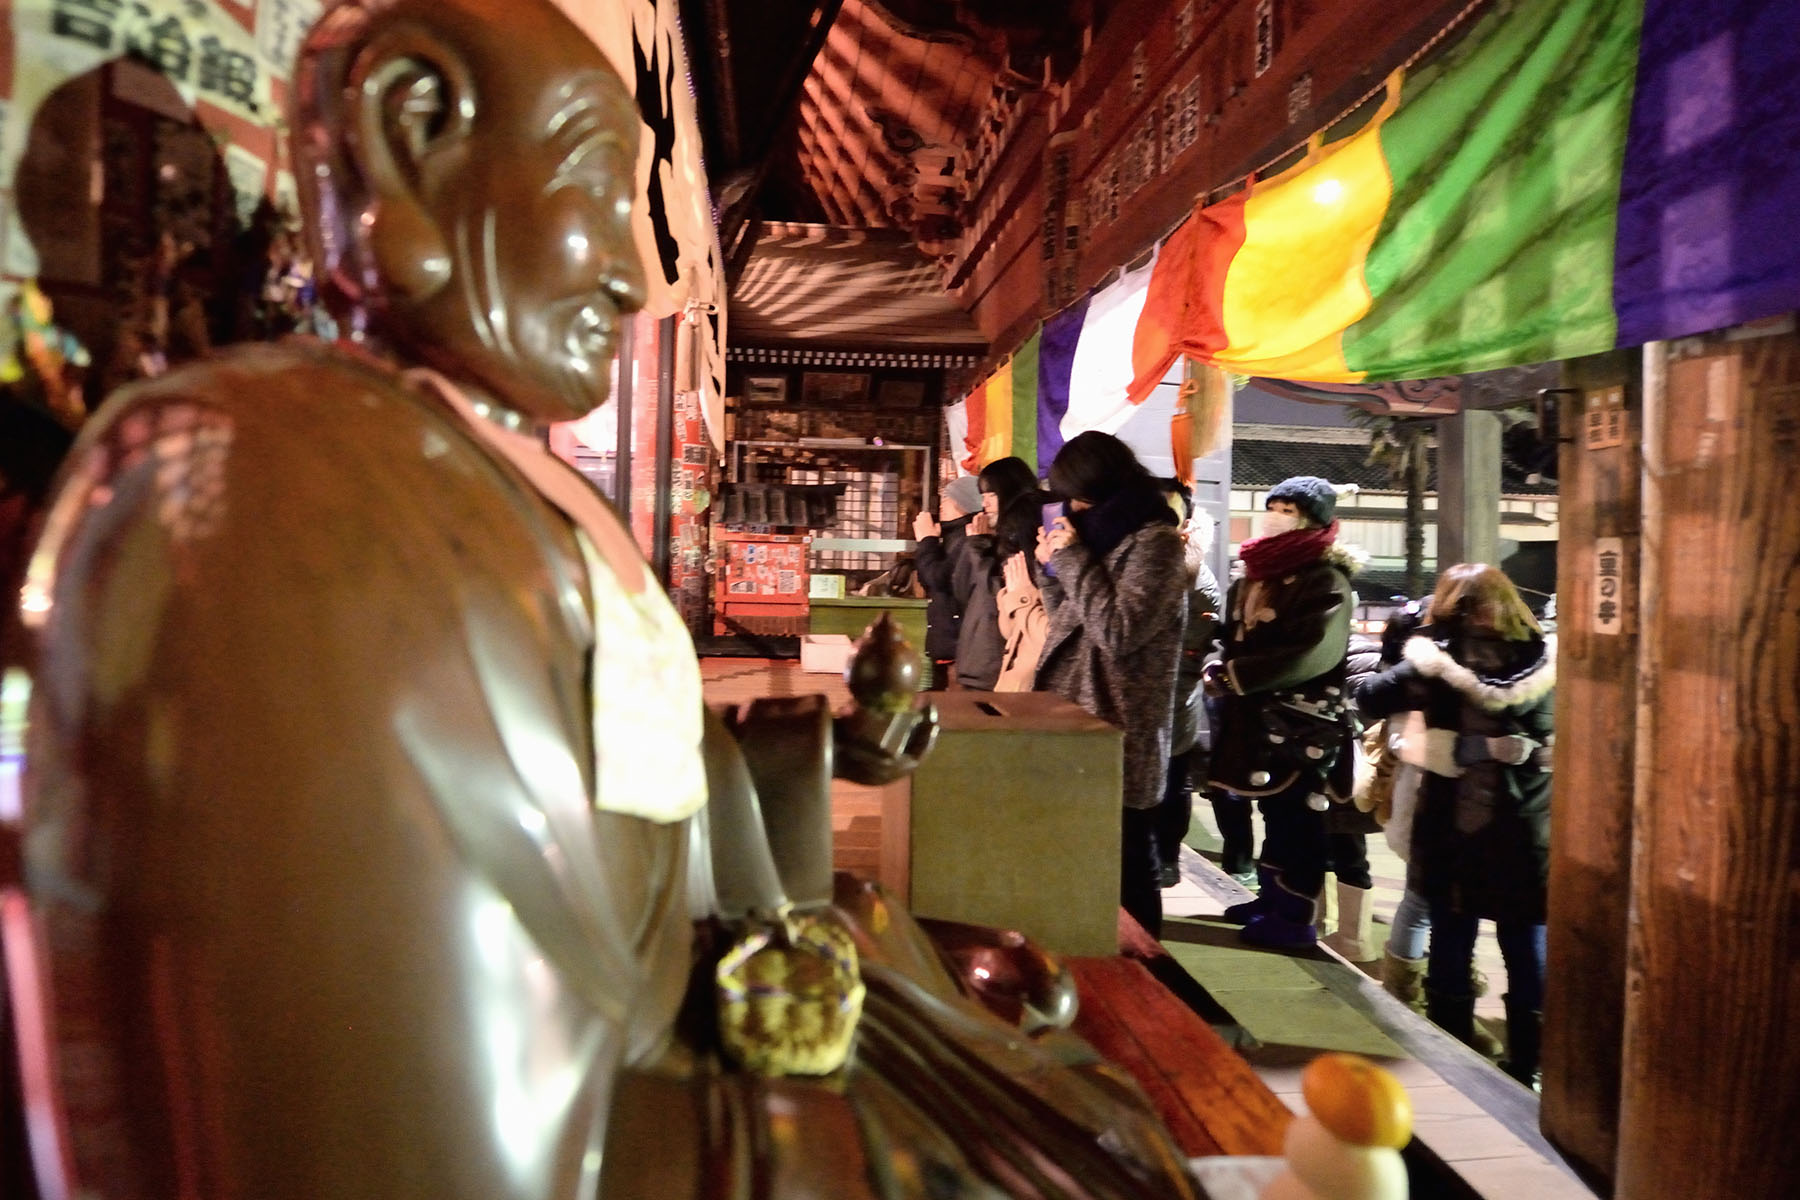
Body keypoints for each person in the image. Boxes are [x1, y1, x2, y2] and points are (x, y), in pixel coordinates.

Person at [0, 3, 1201, 1195]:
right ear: (414, 130)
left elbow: (623, 784)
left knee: (1055, 1065)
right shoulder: (279, 485)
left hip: (679, 1003)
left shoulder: (486, 481)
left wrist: (811, 747)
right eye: (590, 186)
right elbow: (423, 1143)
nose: (634, 277)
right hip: (633, 1084)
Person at [1355, 564, 1555, 1086]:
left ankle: (1453, 1053)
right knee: (1526, 942)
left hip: (1454, 826)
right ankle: (1528, 1063)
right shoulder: (1551, 659)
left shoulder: (1432, 662)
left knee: (1450, 934)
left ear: (1447, 605)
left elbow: (1369, 697)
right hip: (1529, 829)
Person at [1034, 432, 1186, 936]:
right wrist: (1051, 573)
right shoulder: (1100, 539)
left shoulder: (1156, 543)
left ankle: (1146, 975)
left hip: (1117, 722)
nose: (1071, 507)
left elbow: (1119, 632)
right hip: (1076, 716)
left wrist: (1074, 561)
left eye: (1078, 496)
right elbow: (1068, 624)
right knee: (1082, 858)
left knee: (1126, 861)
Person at [1205, 476, 1363, 950]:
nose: (1276, 514)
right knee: (1274, 810)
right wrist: (1219, 660)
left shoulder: (1325, 579)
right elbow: (1233, 637)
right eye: (1272, 505)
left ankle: (1296, 917)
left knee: (1298, 819)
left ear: (1315, 520)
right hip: (1256, 719)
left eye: (1288, 509)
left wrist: (1238, 675)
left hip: (1303, 724)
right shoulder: (1253, 576)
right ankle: (1272, 899)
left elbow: (1312, 651)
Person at [1158, 492, 1223, 887]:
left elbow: (1193, 646)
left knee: (1174, 776)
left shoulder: (1196, 577)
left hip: (1174, 691)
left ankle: (1167, 856)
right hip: (1155, 691)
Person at [912, 473, 981, 689]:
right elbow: (928, 581)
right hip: (947, 642)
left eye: (948, 499)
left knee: (951, 706)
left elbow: (938, 578)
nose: (942, 504)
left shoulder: (966, 538)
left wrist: (927, 540)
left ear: (964, 504)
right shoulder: (953, 537)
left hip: (956, 645)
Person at [993, 496, 1050, 691]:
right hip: (1012, 692)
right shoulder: (1023, 571)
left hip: (1034, 701)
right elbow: (1009, 632)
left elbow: (1052, 637)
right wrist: (1011, 595)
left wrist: (1023, 599)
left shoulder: (1056, 577)